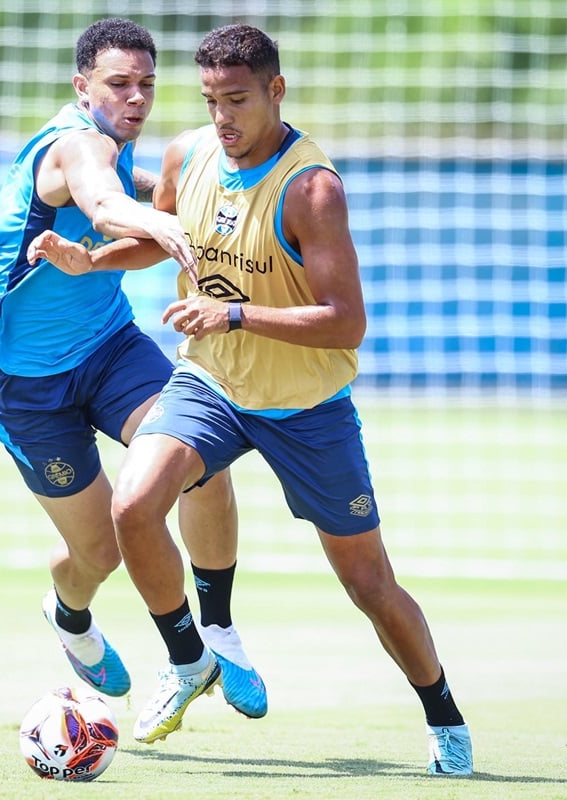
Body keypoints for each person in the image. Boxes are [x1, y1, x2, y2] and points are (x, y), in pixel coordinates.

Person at [27, 24, 473, 775]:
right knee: (133, 505)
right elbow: (164, 241)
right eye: (210, 100)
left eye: (237, 100)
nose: (222, 118)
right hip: (212, 382)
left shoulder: (312, 188)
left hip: (306, 405)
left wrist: (233, 312)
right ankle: (189, 656)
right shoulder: (187, 152)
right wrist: (89, 262)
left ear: (276, 91)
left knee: (369, 583)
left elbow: (346, 323)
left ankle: (444, 715)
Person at [0, 18, 267, 720]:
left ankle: (209, 637)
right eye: (118, 84)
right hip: (26, 385)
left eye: (147, 85)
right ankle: (69, 615)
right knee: (98, 551)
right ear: (82, 87)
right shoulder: (74, 145)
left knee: (198, 458)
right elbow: (103, 202)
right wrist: (156, 223)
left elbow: (154, 191)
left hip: (109, 350)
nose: (135, 98)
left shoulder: (122, 150)